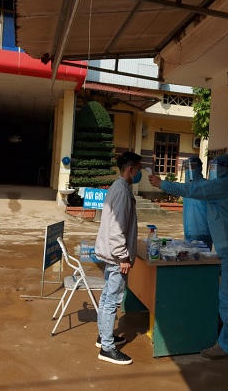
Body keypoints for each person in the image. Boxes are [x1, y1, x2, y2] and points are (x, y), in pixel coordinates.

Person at [149, 154, 228, 359]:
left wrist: (162, 184)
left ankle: (226, 346)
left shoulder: (221, 186)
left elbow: (192, 190)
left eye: (214, 167)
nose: (211, 171)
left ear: (224, 168)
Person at [94, 151, 142, 365]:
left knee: (106, 297)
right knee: (112, 300)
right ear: (130, 169)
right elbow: (117, 229)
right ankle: (107, 348)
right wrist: (123, 256)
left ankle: (103, 336)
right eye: (138, 169)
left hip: (111, 254)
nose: (139, 173)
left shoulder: (118, 186)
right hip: (116, 257)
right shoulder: (122, 191)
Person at [182, 156, 212, 249]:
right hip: (188, 232)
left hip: (203, 233)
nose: (188, 170)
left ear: (199, 168)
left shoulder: (206, 186)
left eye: (191, 167)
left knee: (202, 256)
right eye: (186, 167)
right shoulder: (186, 187)